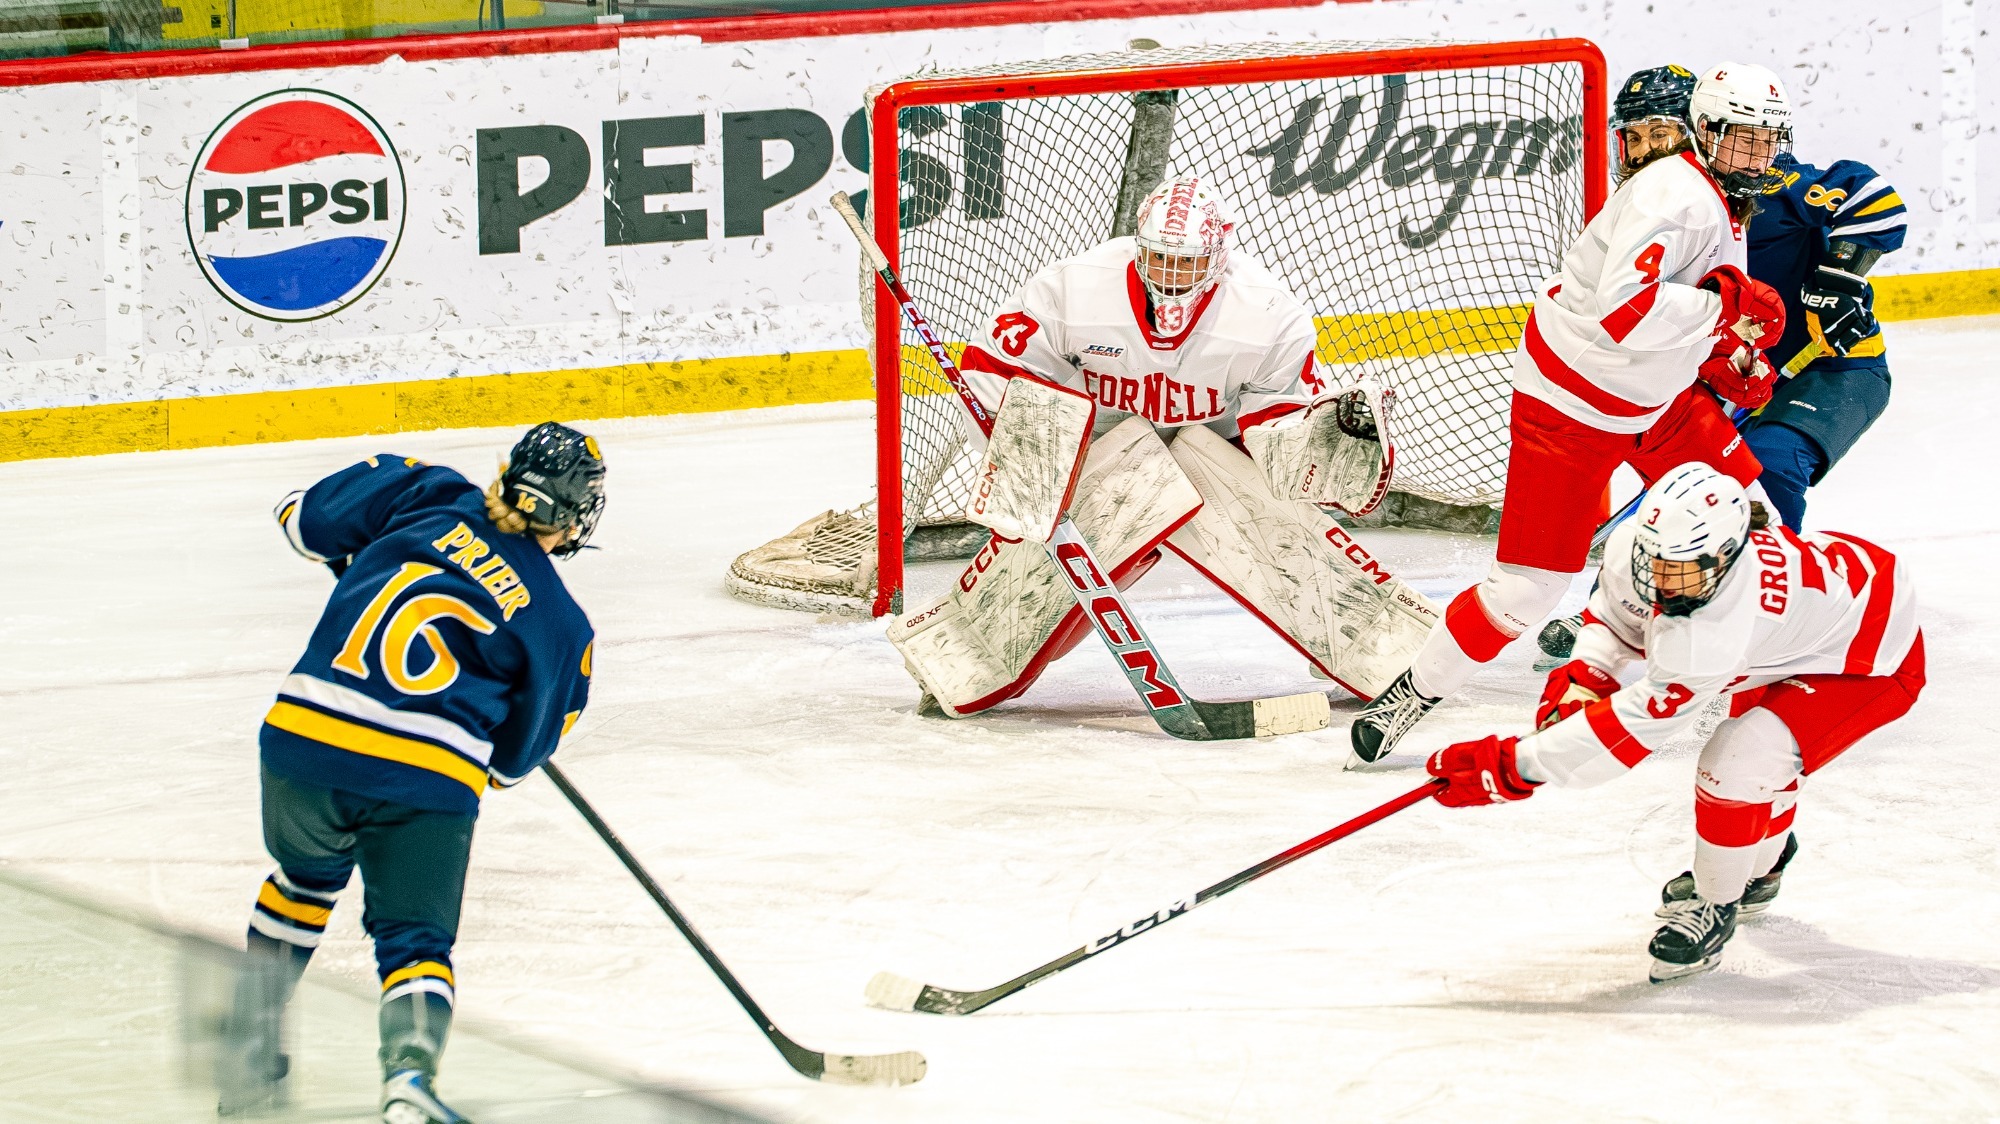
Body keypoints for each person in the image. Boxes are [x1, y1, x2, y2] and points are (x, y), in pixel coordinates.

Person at [1348, 62, 1795, 764]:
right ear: (1704, 134)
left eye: (1766, 141)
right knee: (1522, 593)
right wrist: (1722, 312)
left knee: (1757, 517)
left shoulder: (1717, 195)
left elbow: (1671, 312)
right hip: (1570, 408)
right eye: (1741, 139)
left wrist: (1724, 357)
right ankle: (1415, 690)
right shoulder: (1675, 198)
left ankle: (1743, 688)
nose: (1756, 157)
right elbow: (1624, 312)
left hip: (1658, 401)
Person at [888, 175, 1439, 718]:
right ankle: (957, 652)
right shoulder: (1072, 288)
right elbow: (993, 368)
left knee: (1285, 538)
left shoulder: (1269, 313)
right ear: (1137, 248)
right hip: (1103, 456)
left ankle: (1385, 653)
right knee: (1039, 578)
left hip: (1210, 457)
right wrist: (1031, 465)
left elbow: (1277, 424)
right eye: (1159, 259)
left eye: (1189, 263)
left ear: (1219, 257)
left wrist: (1320, 449)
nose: (1173, 276)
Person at [216, 423, 605, 1123]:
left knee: (301, 883)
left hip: (301, 741)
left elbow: (301, 519)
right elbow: (512, 765)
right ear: (575, 516)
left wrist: (371, 550)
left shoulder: (427, 493)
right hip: (421, 781)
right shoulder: (560, 624)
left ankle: (246, 1052)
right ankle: (409, 1087)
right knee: (415, 945)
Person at [1424, 461, 1923, 981]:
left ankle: (1715, 904)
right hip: (1803, 630)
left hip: (1872, 657)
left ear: (1728, 557)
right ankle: (1761, 866)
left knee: (1739, 758)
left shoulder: (1718, 630)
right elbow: (1614, 619)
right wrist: (1585, 677)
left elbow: (1628, 738)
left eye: (1681, 569)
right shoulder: (1644, 552)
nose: (1661, 578)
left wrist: (1514, 765)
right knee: (1759, 762)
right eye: (1654, 560)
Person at [1536, 64, 1910, 665]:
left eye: (1661, 135)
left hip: (1830, 370)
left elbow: (1874, 198)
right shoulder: (1651, 207)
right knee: (1687, 491)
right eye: (1632, 137)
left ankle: (1764, 616)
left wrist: (1841, 270)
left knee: (1771, 471)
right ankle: (1638, 608)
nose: (1643, 152)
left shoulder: (1767, 183)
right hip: (1738, 382)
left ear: (1699, 131)